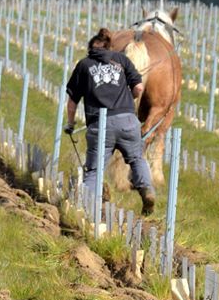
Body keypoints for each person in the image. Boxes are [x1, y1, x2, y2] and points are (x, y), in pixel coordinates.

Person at [64, 27, 155, 214]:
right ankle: (146, 190)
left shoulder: (84, 65)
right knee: (137, 159)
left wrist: (70, 125)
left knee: (94, 170)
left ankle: (86, 210)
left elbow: (72, 101)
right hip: (128, 121)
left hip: (101, 124)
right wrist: (128, 101)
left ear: (91, 48)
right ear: (109, 47)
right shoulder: (122, 60)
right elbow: (138, 88)